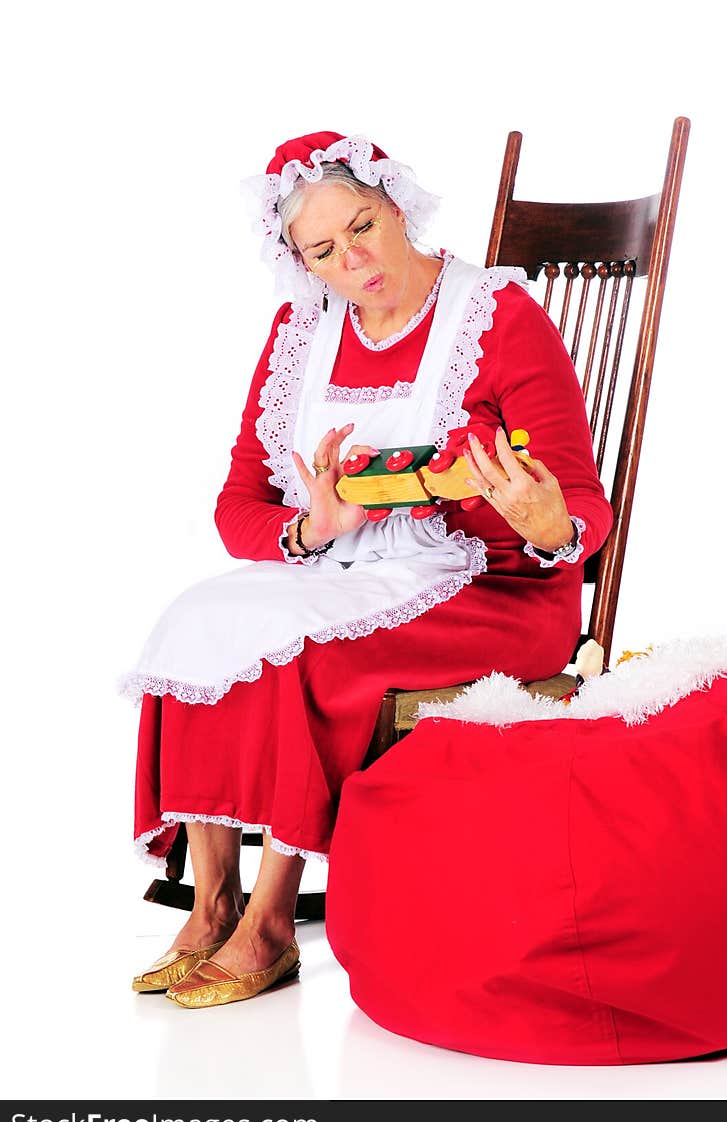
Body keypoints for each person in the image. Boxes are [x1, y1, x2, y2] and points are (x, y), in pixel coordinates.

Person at [124, 131, 613, 1008]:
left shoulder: (498, 318)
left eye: (363, 226)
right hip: (344, 571)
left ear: (397, 206)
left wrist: (550, 523)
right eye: (324, 250)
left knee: (296, 652)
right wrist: (315, 526)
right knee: (197, 620)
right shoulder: (300, 331)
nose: (354, 259)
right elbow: (237, 510)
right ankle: (212, 901)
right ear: (298, 261)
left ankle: (270, 922)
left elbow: (581, 504)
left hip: (491, 589)